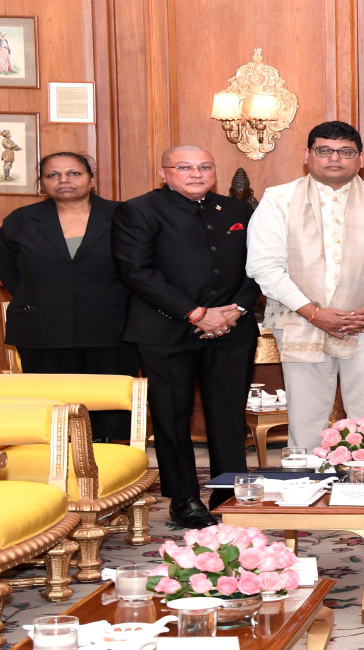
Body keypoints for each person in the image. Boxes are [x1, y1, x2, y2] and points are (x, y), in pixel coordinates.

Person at [112, 145, 259, 529]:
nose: (196, 174)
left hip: (232, 330)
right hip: (165, 331)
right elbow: (135, 271)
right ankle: (184, 499)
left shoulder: (239, 210)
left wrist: (236, 309)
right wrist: (196, 313)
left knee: (228, 416)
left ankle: (228, 494)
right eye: (184, 167)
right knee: (171, 416)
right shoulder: (138, 210)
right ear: (164, 173)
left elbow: (260, 265)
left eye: (204, 167)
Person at [246, 121, 364, 450]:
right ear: (307, 155)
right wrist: (313, 313)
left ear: (361, 159)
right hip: (299, 320)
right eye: (324, 150)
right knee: (306, 416)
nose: (335, 158)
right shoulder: (279, 199)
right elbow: (264, 265)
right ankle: (307, 479)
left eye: (346, 151)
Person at [0, 152, 137, 442]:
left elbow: (141, 267)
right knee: (51, 407)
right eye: (53, 175)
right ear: (42, 184)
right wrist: (43, 298)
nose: (63, 180)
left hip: (111, 328)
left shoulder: (125, 216)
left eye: (74, 173)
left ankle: (110, 459)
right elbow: (8, 271)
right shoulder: (21, 220)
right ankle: (57, 461)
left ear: (91, 180)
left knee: (109, 409)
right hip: (43, 328)